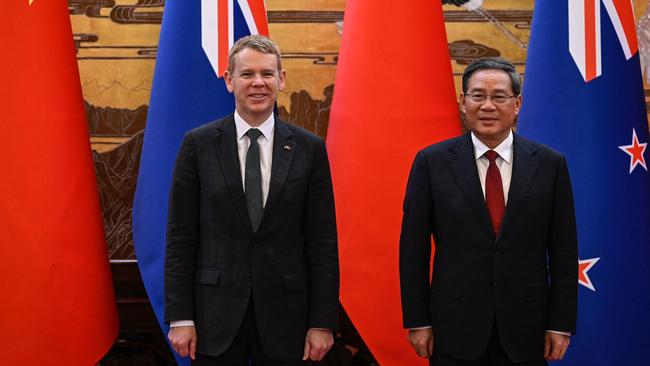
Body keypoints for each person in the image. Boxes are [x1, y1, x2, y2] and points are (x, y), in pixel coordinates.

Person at [164, 35, 340, 366]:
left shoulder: (310, 149)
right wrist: (180, 316)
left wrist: (322, 321)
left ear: (281, 79)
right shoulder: (198, 145)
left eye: (267, 74)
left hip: (288, 319)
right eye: (247, 74)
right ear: (230, 81)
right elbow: (181, 237)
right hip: (213, 317)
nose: (258, 83)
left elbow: (322, 242)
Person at [399, 57, 578, 366]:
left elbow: (564, 250)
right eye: (478, 95)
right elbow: (412, 250)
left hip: (527, 328)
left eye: (499, 96)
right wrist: (418, 321)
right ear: (463, 101)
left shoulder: (550, 165)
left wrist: (559, 323)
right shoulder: (432, 162)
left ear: (517, 103)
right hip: (454, 326)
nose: (487, 106)